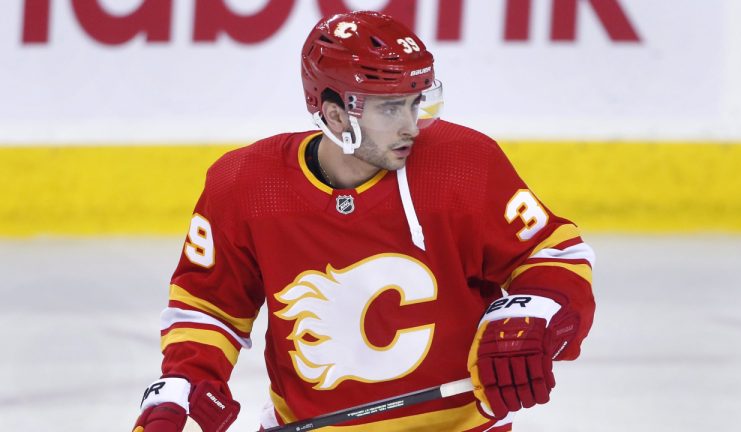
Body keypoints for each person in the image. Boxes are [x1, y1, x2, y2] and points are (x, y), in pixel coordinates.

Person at [133, 10, 595, 432]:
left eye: (416, 102)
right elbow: (208, 306)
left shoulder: (464, 164)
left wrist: (537, 311)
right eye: (390, 108)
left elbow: (552, 253)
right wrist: (183, 383)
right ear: (334, 114)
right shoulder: (244, 186)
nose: (411, 125)